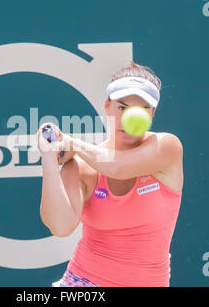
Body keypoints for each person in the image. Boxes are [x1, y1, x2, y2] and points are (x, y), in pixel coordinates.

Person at [37, 61, 183, 287]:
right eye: (122, 108)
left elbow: (117, 167)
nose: (129, 119)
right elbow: (60, 226)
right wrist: (48, 156)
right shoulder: (83, 167)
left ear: (152, 113)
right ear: (107, 106)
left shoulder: (167, 147)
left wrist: (71, 144)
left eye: (141, 110)